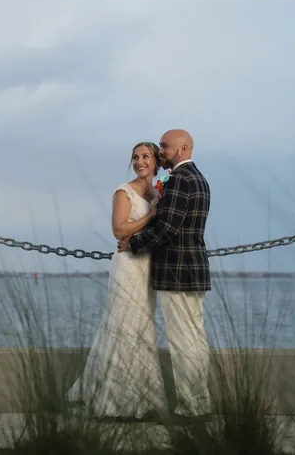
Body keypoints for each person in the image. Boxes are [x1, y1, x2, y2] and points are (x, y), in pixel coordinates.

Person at [66, 142, 169, 421]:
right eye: (135, 157)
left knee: (143, 327)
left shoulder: (160, 191)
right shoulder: (124, 192)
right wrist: (150, 215)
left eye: (145, 156)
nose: (139, 161)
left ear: (156, 161)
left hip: (148, 266)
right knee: (121, 323)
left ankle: (143, 397)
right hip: (127, 266)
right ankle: (114, 399)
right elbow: (118, 230)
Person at [118, 129, 212, 420]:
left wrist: (133, 244)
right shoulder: (200, 179)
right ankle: (200, 403)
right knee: (195, 338)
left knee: (184, 342)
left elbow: (167, 228)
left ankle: (192, 408)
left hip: (176, 272)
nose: (161, 152)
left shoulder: (181, 180)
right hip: (193, 269)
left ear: (182, 149)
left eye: (165, 147)